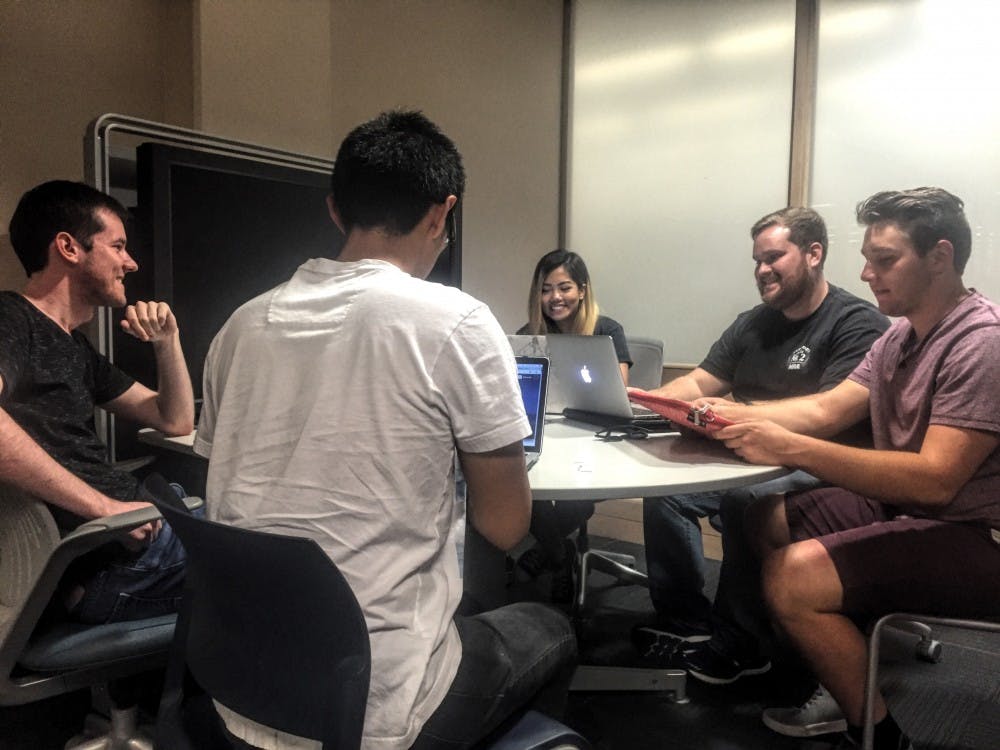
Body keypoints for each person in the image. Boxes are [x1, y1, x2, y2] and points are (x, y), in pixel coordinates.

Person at [194, 111, 577, 750]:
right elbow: (504, 525)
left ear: (335, 210)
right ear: (441, 213)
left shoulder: (240, 324)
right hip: (376, 707)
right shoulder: (456, 321)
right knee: (549, 625)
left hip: (240, 685)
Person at [708, 187, 1000, 750]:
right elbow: (824, 408)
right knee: (763, 515)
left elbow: (936, 481)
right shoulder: (899, 336)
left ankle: (878, 734)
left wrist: (789, 447)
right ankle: (816, 656)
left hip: (972, 534)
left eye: (884, 260)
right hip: (914, 512)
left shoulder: (981, 342)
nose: (866, 274)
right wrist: (734, 413)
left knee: (792, 577)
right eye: (867, 258)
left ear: (940, 257)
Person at [635, 207, 888, 687]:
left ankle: (741, 642)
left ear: (814, 254)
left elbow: (825, 416)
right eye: (757, 260)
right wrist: (641, 404)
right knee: (667, 492)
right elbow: (699, 381)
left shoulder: (857, 323)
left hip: (821, 462)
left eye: (774, 257)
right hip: (748, 449)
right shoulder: (754, 322)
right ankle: (688, 622)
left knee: (743, 501)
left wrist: (730, 415)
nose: (762, 270)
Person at [0, 180, 195, 624]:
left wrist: (168, 341)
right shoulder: (12, 318)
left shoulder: (74, 347)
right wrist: (103, 508)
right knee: (291, 563)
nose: (130, 262)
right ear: (69, 247)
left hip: (129, 538)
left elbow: (176, 420)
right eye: (119, 246)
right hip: (104, 561)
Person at [515, 249, 632, 602]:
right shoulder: (528, 335)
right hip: (549, 437)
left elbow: (619, 393)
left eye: (564, 288)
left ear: (582, 290)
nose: (555, 298)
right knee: (521, 481)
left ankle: (549, 553)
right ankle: (558, 552)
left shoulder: (607, 331)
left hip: (599, 439)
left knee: (573, 493)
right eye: (546, 289)